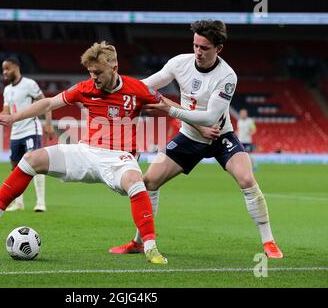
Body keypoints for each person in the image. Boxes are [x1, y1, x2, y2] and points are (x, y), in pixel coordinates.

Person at [0, 41, 168, 264]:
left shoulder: (137, 89)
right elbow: (48, 103)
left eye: (97, 72)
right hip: (86, 151)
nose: (93, 77)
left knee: (136, 180)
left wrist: (201, 124)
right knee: (31, 159)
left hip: (119, 158)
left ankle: (150, 248)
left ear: (114, 68)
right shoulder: (85, 88)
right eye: (90, 72)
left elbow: (167, 106)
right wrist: (12, 117)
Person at [110, 20, 283, 259]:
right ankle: (140, 242)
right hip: (189, 137)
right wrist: (115, 87)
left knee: (246, 178)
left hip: (221, 137)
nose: (198, 52)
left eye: (204, 48)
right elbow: (144, 86)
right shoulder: (179, 63)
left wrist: (169, 109)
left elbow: (211, 117)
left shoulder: (227, 76)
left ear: (218, 49)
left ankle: (269, 241)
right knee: (149, 181)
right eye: (195, 45)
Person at [0, 57, 54, 212]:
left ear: (16, 68)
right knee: (15, 166)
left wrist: (48, 123)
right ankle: (19, 203)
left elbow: (45, 102)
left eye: (7, 68)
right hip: (16, 133)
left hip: (31, 130)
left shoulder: (29, 84)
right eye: (3, 69)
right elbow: (6, 113)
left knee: (36, 164)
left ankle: (41, 202)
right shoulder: (7, 90)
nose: (5, 72)